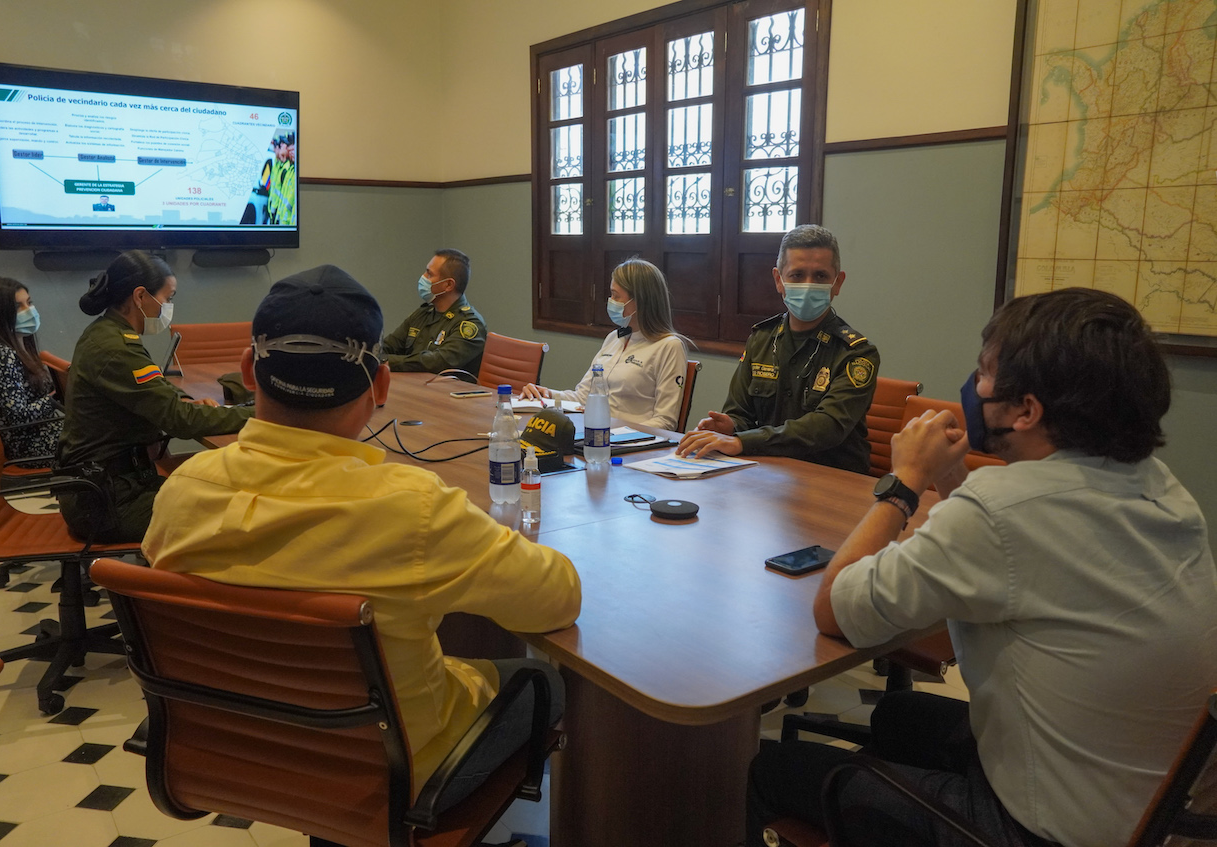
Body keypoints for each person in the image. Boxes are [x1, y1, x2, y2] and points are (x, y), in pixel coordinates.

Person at [748, 288, 1217, 847]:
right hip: (1153, 806)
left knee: (763, 768)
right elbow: (1013, 546)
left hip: (1045, 831)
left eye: (986, 372)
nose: (974, 385)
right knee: (899, 716)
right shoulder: (1161, 488)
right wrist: (949, 479)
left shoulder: (1000, 511)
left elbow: (836, 610)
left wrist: (904, 484)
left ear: (1026, 410)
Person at [142, 265, 581, 808]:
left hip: (239, 749)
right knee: (546, 684)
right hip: (390, 775)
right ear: (381, 385)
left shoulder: (181, 492)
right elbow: (557, 599)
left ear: (248, 371)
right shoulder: (414, 510)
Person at [57, 250, 253, 544]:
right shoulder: (116, 348)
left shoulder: (107, 334)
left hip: (109, 487)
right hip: (109, 503)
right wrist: (260, 413)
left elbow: (154, 387)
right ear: (140, 296)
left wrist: (184, 399)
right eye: (168, 297)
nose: (169, 306)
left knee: (221, 490)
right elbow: (180, 422)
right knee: (238, 511)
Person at [676, 224, 879, 472]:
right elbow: (740, 413)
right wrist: (729, 427)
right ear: (778, 280)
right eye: (797, 275)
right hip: (767, 472)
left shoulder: (856, 353)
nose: (808, 284)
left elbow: (828, 427)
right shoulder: (762, 340)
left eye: (820, 276)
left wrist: (741, 441)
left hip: (832, 479)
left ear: (837, 283)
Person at [520, 258, 689, 429]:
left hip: (631, 442)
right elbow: (583, 397)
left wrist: (613, 431)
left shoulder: (669, 346)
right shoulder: (614, 338)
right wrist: (547, 394)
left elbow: (665, 422)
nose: (611, 301)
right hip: (595, 433)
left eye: (616, 296)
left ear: (640, 300)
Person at [0, 276, 62, 465]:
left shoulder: (20, 346)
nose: (29, 311)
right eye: (18, 306)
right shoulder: (1, 354)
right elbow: (19, 417)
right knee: (100, 439)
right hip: (27, 444)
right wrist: (56, 397)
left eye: (29, 303)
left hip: (40, 431)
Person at [380, 248, 488, 374]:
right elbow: (388, 346)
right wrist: (376, 357)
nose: (423, 278)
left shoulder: (470, 324)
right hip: (415, 385)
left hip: (447, 391)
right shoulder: (423, 313)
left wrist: (388, 362)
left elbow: (436, 363)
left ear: (448, 285)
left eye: (429, 274)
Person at [265, 131, 296, 225]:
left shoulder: (287, 169)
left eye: (287, 145)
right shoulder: (287, 167)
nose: (286, 147)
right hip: (278, 217)